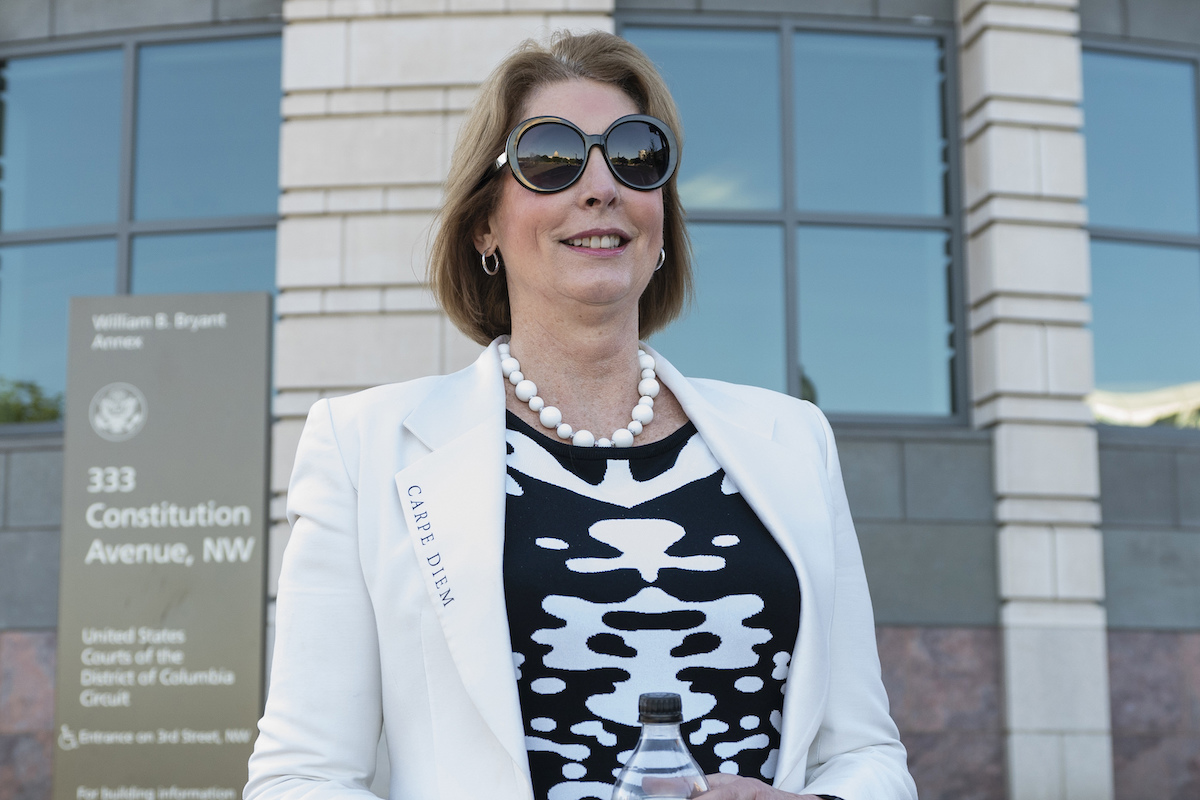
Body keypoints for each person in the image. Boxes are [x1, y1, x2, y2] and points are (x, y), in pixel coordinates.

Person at [245, 30, 917, 800]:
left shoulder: (793, 441)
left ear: (660, 214)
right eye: (551, 159)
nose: (600, 186)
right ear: (484, 225)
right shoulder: (364, 449)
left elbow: (864, 754)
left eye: (635, 156)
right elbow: (302, 776)